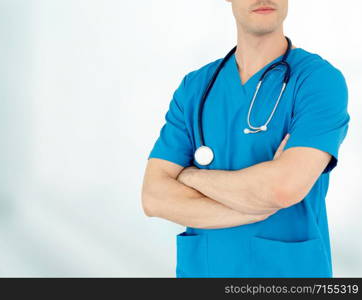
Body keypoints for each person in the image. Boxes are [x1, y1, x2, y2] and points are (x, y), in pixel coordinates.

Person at [141, 0, 350, 277]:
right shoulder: (195, 88)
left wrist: (191, 176)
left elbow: (282, 189)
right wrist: (255, 209)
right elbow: (153, 197)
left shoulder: (318, 81)